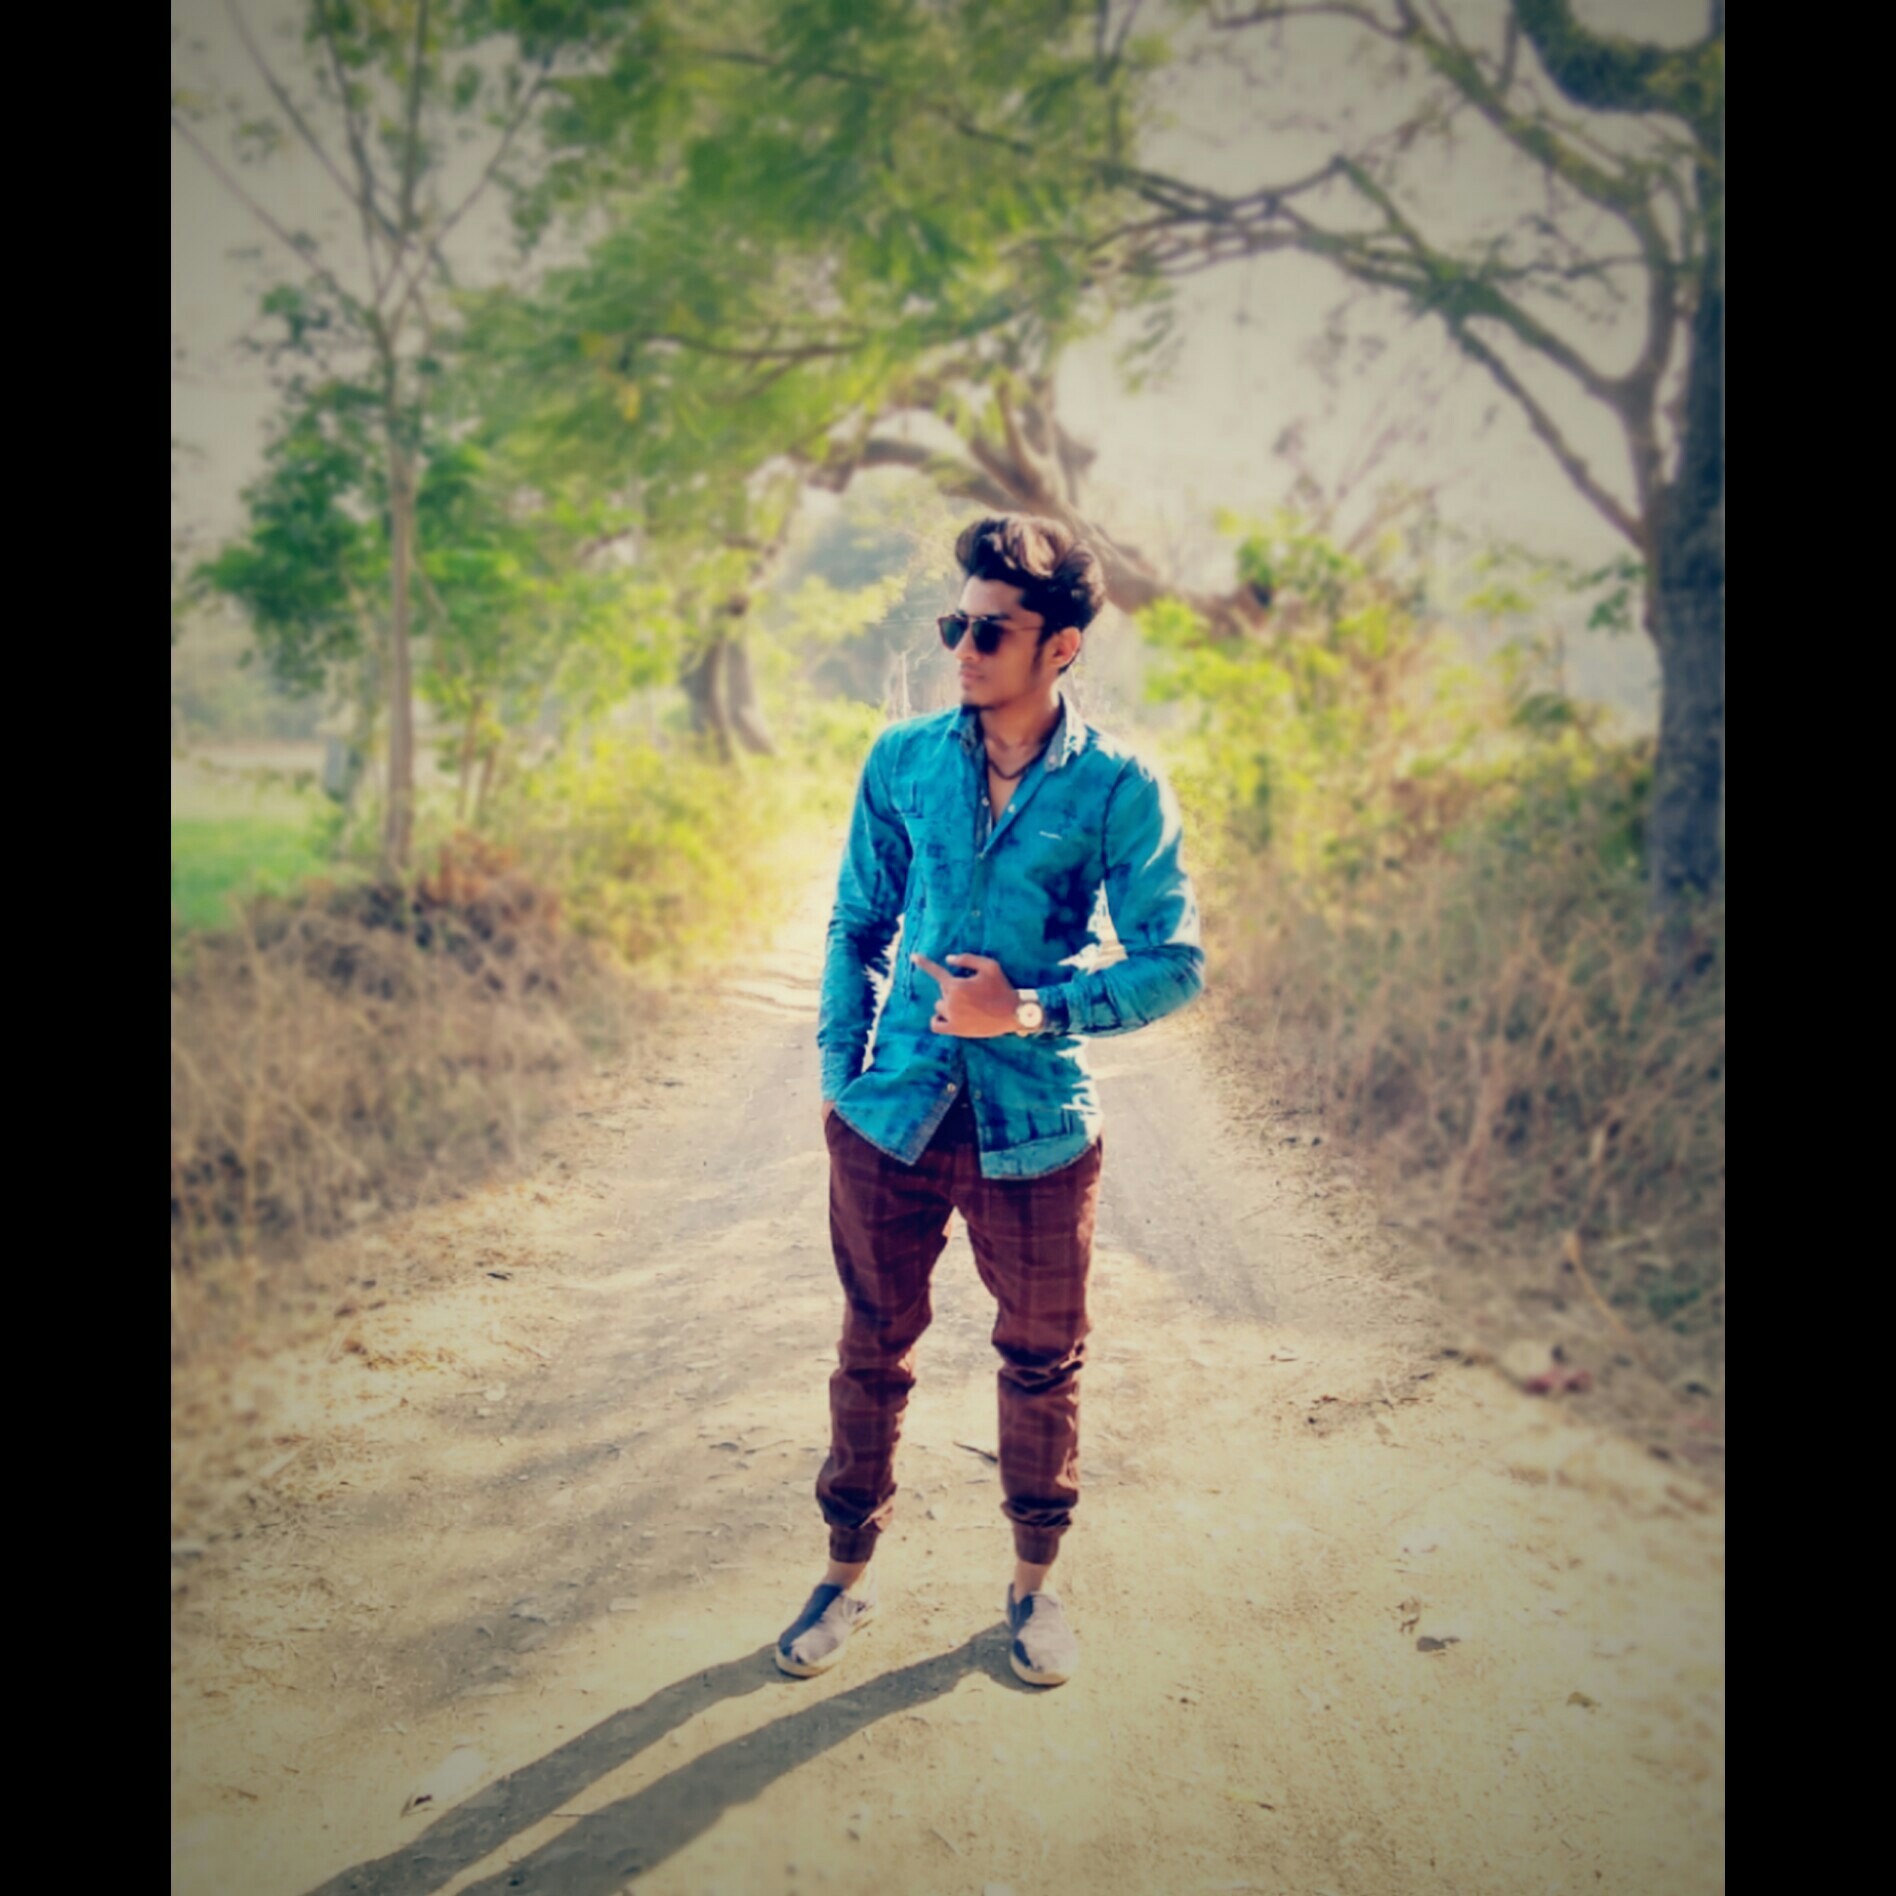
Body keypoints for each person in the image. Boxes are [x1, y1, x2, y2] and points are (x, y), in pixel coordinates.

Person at [779, 513, 1205, 1688]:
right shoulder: (902, 762)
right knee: (872, 1349)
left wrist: (1026, 1012)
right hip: (892, 1120)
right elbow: (856, 926)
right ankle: (843, 1575)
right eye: (953, 625)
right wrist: (838, 1084)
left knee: (1042, 1362)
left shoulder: (1118, 788)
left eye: (990, 631)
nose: (962, 650)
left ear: (1061, 647)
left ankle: (1031, 1589)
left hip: (1039, 1133)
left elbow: (1175, 963)